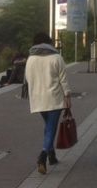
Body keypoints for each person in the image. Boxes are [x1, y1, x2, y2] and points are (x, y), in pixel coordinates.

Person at [25, 32, 72, 175]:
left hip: (38, 99)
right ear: (49, 43)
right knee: (51, 127)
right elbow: (63, 79)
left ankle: (52, 155)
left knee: (48, 126)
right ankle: (43, 155)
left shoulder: (31, 59)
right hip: (54, 98)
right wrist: (68, 95)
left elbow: (28, 79)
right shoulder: (57, 57)